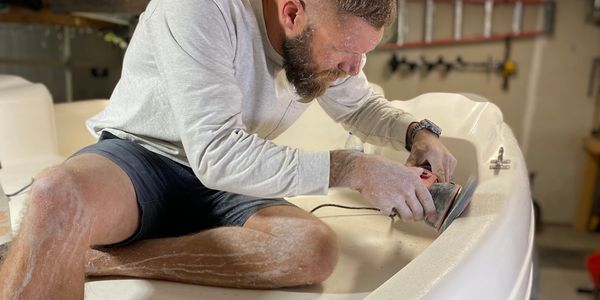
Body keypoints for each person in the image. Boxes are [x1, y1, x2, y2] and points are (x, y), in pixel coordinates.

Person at [0, 0, 457, 298]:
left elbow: (360, 106)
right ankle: (61, 238)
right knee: (55, 197)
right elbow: (215, 151)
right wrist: (352, 168)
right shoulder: (200, 9)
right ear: (293, 12)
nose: (353, 69)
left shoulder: (324, 41)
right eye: (344, 53)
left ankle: (91, 256)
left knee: (310, 249)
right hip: (142, 160)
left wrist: (416, 132)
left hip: (233, 172)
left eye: (363, 56)